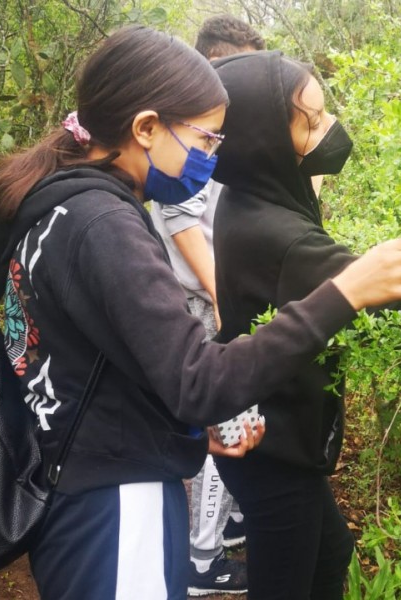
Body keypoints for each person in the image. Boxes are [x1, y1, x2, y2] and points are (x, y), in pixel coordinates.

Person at [0, 26, 401, 600]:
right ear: (146, 128)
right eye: (206, 140)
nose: (213, 157)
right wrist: (346, 292)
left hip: (74, 480)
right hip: (113, 506)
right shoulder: (103, 225)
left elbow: (91, 358)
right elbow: (199, 382)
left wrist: (184, 427)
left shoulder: (51, 204)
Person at [208, 51, 401, 599]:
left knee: (329, 561)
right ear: (266, 139)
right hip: (274, 450)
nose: (329, 130)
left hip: (264, 428)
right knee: (290, 582)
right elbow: (390, 294)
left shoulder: (246, 196)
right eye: (313, 121)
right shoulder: (285, 238)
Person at [149, 14, 266, 597]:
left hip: (217, 296)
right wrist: (227, 304)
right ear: (215, 63)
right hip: (202, 301)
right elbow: (181, 221)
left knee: (235, 420)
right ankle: (201, 561)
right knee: (222, 423)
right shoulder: (196, 131)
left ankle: (228, 531)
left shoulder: (218, 131)